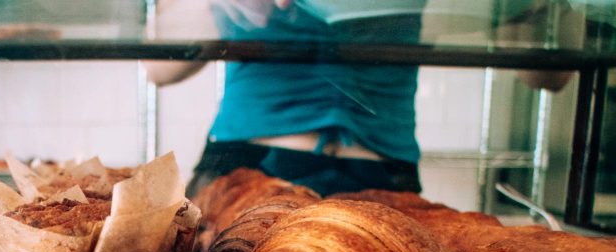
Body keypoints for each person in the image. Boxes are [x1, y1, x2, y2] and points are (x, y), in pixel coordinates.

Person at [144, 0, 578, 198]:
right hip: (247, 166)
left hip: (383, 175)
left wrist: (538, 7)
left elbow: (550, 74)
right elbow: (158, 68)